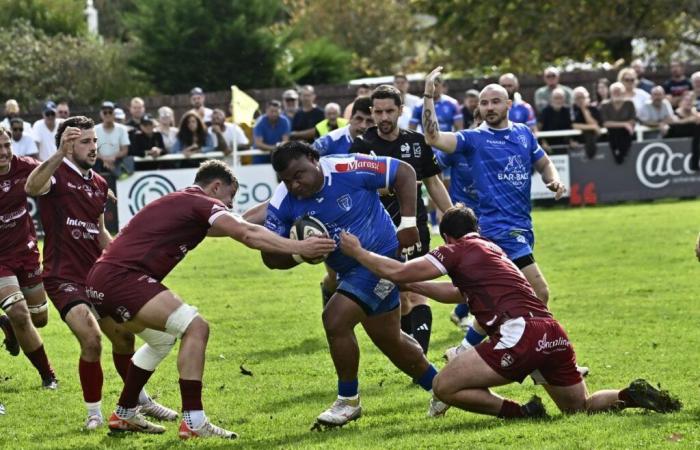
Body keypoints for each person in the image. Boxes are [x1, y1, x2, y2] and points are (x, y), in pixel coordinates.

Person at [339, 204, 682, 420]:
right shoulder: (491, 249)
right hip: (551, 331)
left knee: (444, 386)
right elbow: (457, 292)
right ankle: (629, 394)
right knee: (578, 407)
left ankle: (521, 413)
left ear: (447, 235)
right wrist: (416, 288)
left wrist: (358, 253)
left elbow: (399, 272)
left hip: (520, 333)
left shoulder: (456, 249)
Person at [84, 159, 335, 439]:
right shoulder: (200, 202)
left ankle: (125, 413)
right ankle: (194, 421)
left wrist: (275, 209)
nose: (228, 206)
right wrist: (300, 247)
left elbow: (238, 223)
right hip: (123, 278)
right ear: (216, 186)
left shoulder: (184, 201)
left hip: (101, 280)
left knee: (162, 339)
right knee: (196, 327)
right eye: (229, 198)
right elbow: (247, 233)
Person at [261, 142, 446, 427]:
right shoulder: (282, 199)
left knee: (334, 319)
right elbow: (270, 256)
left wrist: (408, 222)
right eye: (287, 180)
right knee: (391, 341)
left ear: (314, 158)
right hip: (350, 272)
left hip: (382, 259)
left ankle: (348, 401)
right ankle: (442, 389)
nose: (294, 185)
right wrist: (299, 252)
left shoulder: (347, 166)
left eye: (298, 175)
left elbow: (405, 172)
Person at [24, 116, 176, 429]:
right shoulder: (57, 174)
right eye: (85, 142)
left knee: (123, 339)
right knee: (92, 341)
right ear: (67, 144)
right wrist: (58, 155)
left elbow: (99, 232)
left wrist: (128, 260)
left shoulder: (98, 183)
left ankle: (139, 402)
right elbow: (31, 186)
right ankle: (94, 414)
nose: (93, 147)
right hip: (62, 277)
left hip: (97, 276)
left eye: (94, 141)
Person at [421, 67, 566, 355]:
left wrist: (553, 178)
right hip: (496, 229)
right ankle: (542, 352)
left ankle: (465, 350)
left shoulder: (524, 134)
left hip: (522, 225)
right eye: (484, 103)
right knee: (538, 291)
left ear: (509, 105)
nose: (488, 108)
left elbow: (544, 161)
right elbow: (433, 138)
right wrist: (428, 94)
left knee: (500, 298)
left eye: (495, 102)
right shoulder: (473, 139)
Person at [351, 85, 453, 354]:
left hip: (415, 226)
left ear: (400, 111)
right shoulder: (362, 146)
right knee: (400, 295)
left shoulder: (417, 143)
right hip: (379, 230)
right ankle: (414, 356)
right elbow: (359, 186)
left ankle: (420, 357)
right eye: (378, 112)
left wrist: (452, 215)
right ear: (372, 112)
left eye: (389, 111)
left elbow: (433, 182)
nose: (383, 117)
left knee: (416, 290)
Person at [0, 126, 57, 388]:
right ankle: (48, 376)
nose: (3, 152)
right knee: (20, 313)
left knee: (39, 319)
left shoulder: (25, 167)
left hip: (27, 251)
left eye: (6, 145)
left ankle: (9, 325)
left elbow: (59, 174)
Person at [599, 82, 636, 165]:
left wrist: (622, 124)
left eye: (619, 91)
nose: (617, 93)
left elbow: (632, 120)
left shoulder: (629, 103)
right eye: (614, 91)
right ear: (610, 93)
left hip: (626, 135)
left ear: (624, 92)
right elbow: (605, 123)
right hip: (611, 135)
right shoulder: (604, 105)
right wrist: (624, 124)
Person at [95, 101, 132, 177]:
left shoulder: (122, 129)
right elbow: (92, 150)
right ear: (101, 114)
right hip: (99, 165)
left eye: (110, 112)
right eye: (105, 112)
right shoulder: (94, 130)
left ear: (114, 114)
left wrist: (113, 158)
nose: (108, 114)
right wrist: (104, 159)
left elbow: (125, 150)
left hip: (117, 163)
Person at [571, 87, 603, 159]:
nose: (580, 100)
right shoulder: (572, 109)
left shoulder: (594, 108)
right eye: (578, 98)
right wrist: (593, 127)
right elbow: (574, 125)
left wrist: (584, 109)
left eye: (582, 97)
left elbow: (594, 123)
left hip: (593, 140)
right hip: (577, 140)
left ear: (587, 97)